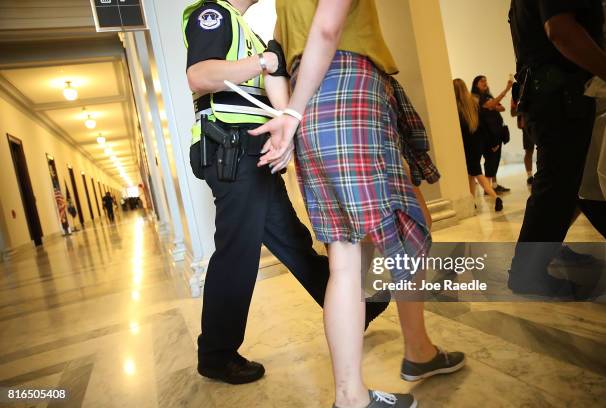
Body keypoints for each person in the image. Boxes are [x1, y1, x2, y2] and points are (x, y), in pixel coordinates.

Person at [251, 1, 465, 406]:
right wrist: (291, 114)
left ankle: (357, 391)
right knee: (406, 225)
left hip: (308, 99)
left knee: (344, 259)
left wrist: (290, 114)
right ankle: (414, 354)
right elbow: (328, 30)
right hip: (346, 88)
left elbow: (276, 55)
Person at [182, 0, 388, 386]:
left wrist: (288, 128)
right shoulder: (213, 13)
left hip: (250, 149)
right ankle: (216, 354)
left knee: (292, 241)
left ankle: (358, 310)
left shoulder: (247, 30)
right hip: (231, 148)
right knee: (237, 252)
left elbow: (277, 96)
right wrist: (264, 62)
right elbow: (200, 75)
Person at [508, 0, 606, 296]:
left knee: (565, 182)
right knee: (558, 183)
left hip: (550, 93)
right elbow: (561, 30)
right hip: (559, 94)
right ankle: (527, 273)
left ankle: (541, 256)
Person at [453, 78, 503, 211]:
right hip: (477, 144)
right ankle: (472, 201)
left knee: (476, 172)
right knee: (471, 173)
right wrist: (491, 142)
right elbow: (483, 125)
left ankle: (495, 197)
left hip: (466, 145)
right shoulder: (473, 104)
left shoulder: (455, 108)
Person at [471, 75, 513, 194]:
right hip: (487, 134)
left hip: (496, 132)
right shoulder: (477, 98)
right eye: (481, 81)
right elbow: (492, 105)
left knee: (495, 159)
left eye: (485, 80)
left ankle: (493, 185)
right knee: (490, 159)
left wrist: (493, 104)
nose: (485, 82)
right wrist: (506, 89)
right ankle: (488, 188)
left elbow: (501, 108)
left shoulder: (487, 96)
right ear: (476, 84)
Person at [511, 83, 535, 185]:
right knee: (529, 150)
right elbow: (512, 112)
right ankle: (530, 176)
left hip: (538, 123)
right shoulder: (516, 93)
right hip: (526, 125)